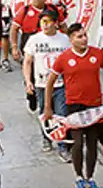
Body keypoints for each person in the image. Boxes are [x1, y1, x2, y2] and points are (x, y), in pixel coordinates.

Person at [44, 23, 103, 188]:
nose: (84, 39)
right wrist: (47, 107)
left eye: (85, 35)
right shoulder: (64, 58)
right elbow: (50, 82)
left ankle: (90, 177)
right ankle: (79, 177)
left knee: (92, 143)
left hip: (94, 105)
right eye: (79, 36)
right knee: (78, 143)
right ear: (71, 39)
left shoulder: (97, 54)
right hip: (74, 106)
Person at [23, 10, 72, 160]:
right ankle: (46, 137)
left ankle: (63, 146)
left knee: (61, 114)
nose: (45, 25)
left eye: (48, 21)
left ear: (55, 23)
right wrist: (28, 81)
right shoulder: (34, 40)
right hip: (41, 84)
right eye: (42, 22)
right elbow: (27, 61)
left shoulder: (64, 39)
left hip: (60, 84)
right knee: (44, 113)